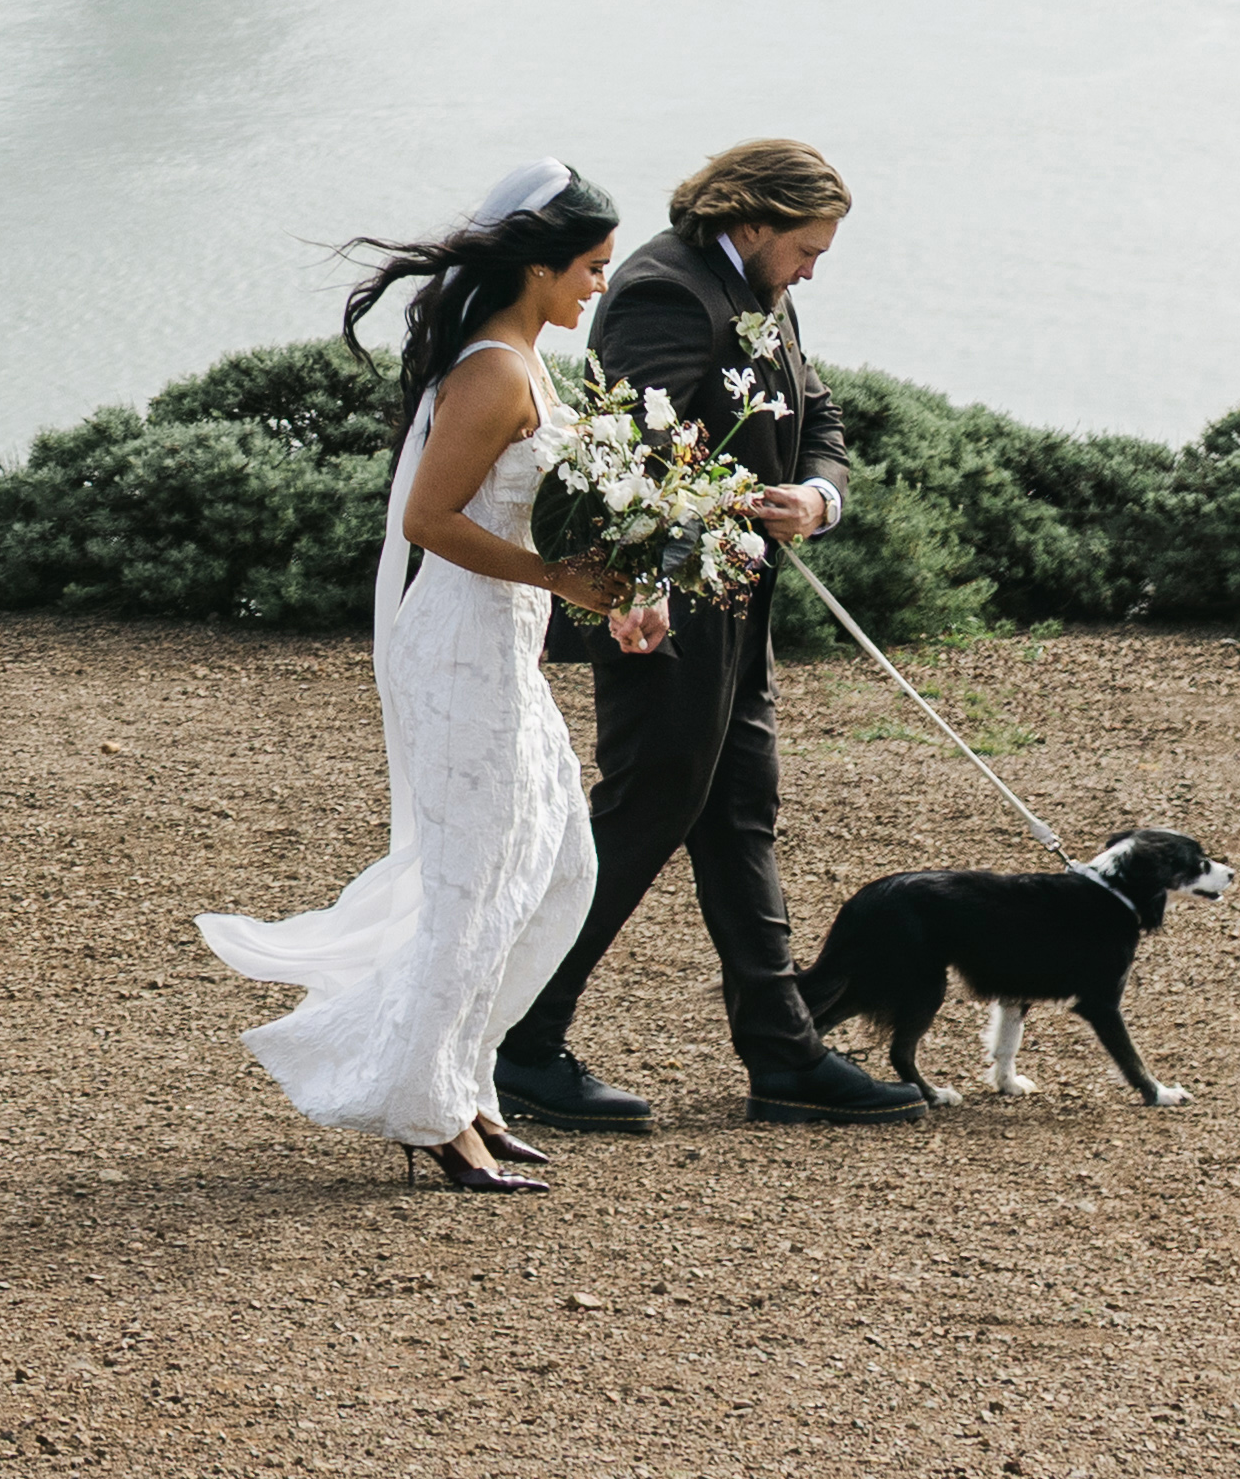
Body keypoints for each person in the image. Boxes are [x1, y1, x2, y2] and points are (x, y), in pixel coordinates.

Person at [192, 160, 650, 1194]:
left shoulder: (535, 361)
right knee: (473, 878)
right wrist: (556, 575)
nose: (598, 288)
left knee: (556, 865)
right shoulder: (492, 370)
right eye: (589, 268)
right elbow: (429, 523)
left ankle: (466, 1080)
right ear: (536, 266)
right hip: (458, 643)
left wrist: (628, 579)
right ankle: (433, 1112)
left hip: (505, 641)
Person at [495, 136, 932, 1136]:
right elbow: (631, 459)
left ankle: (782, 1057)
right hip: (668, 612)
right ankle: (522, 1039)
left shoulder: (756, 286)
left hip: (737, 603)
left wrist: (817, 497)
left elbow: (814, 413)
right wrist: (654, 580)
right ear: (752, 221)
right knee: (646, 814)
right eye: (807, 248)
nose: (814, 268)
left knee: (739, 815)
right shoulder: (661, 290)